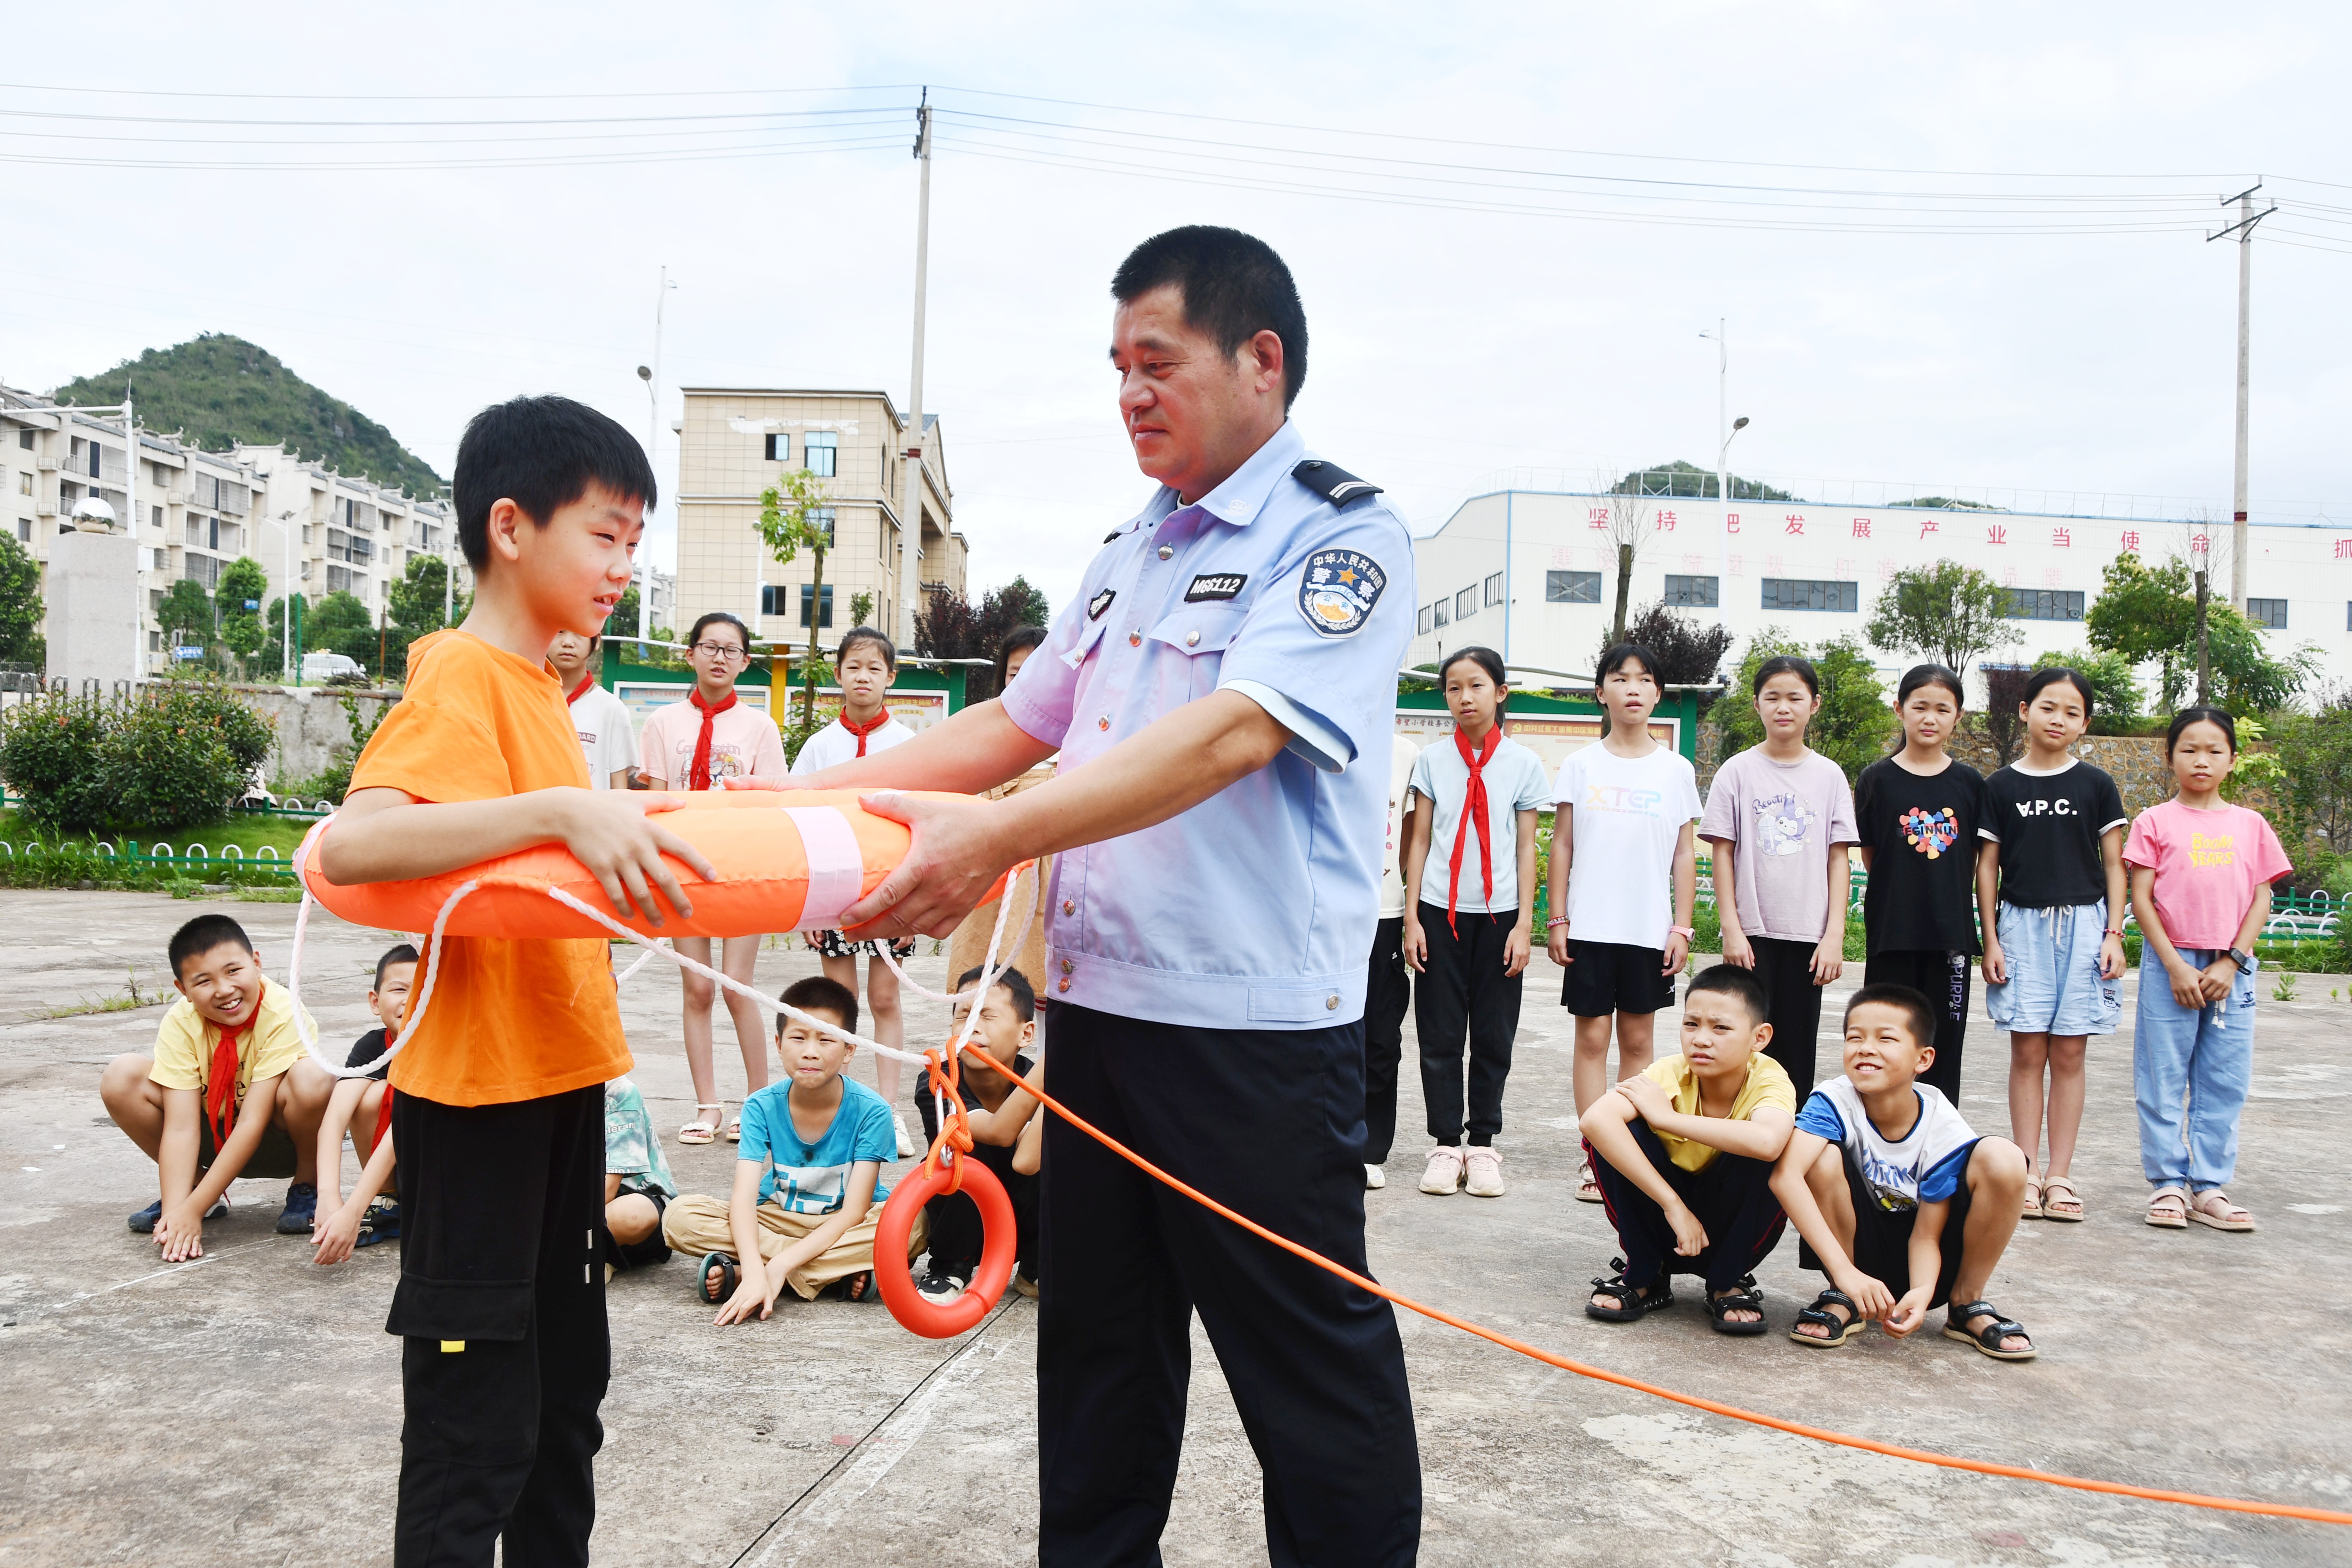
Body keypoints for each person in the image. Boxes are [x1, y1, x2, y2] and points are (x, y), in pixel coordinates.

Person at [757, 226, 1423, 1565]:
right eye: (1115, 366)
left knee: (1307, 1381)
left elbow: (1234, 732)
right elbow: (1016, 719)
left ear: (1261, 360)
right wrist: (794, 816)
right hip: (1100, 1021)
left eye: (1156, 361)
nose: (1128, 392)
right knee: (1101, 1359)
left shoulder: (1339, 537)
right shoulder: (1130, 551)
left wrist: (988, 843)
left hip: (1253, 1038)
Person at [318, 392, 705, 1565]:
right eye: (605, 533)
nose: (622, 567)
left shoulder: (544, 690)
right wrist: (554, 811)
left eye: (635, 543)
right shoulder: (462, 673)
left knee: (560, 1416)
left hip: (555, 1088)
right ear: (509, 526)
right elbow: (359, 842)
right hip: (478, 1103)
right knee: (474, 1431)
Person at [1772, 983, 2035, 1360]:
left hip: (1926, 1254)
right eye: (1855, 1037)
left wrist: (1924, 1290)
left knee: (2003, 1156)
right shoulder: (1835, 1098)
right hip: (1853, 1257)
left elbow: (1927, 1236)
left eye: (1886, 1039)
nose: (1865, 1047)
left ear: (1923, 1059)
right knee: (1818, 1156)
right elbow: (1786, 1176)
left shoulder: (1941, 1122)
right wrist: (1845, 1273)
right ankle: (1842, 1296)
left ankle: (1965, 1304)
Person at [659, 976, 921, 1318]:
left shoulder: (872, 1110)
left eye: (826, 1039)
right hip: (777, 1218)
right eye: (798, 1038)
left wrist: (776, 1264)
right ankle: (833, 1276)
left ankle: (765, 1275)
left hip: (844, 1224)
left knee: (916, 1225)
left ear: (849, 1050)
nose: (810, 1051)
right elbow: (743, 1198)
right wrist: (756, 1269)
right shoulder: (760, 1105)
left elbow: (855, 1211)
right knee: (679, 1216)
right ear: (780, 1043)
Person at [2124, 707, 2288, 1233]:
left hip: (2230, 967)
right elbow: (2142, 898)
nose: (2201, 760)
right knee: (2162, 1076)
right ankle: (2169, 1184)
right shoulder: (2154, 821)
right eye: (2189, 749)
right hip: (2170, 965)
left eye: (2214, 750)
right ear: (2170, 757)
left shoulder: (2251, 825)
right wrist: (2174, 965)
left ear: (2233, 760)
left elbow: (2261, 899)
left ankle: (2210, 1187)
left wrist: (2233, 961)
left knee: (2224, 1080)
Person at [1548, 641, 1701, 1203]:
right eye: (1620, 678)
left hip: (1648, 931)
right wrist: (1557, 918)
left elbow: (1684, 854)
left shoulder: (1675, 769)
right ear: (1601, 692)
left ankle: (1627, 1156)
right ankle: (1595, 1158)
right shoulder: (1581, 765)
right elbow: (1562, 845)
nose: (1632, 688)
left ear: (1658, 694)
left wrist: (1682, 927)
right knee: (1591, 1040)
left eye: (1644, 680)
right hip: (1589, 928)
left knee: (1639, 1043)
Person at [1976, 666, 2126, 1224]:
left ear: (2084, 722)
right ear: (2025, 711)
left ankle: (2060, 1176)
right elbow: (1987, 867)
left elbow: (2115, 863)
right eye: (2048, 707)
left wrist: (2114, 933)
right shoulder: (2000, 786)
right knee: (2027, 1052)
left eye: (2071, 711)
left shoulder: (2095, 784)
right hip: (2021, 927)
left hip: (2086, 926)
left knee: (2069, 1053)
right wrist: (1990, 937)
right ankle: (2026, 1171)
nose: (2058, 719)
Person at [1399, 646, 1547, 1199]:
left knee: (1492, 1031)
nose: (1465, 697)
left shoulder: (1524, 764)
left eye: (1477, 685)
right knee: (1438, 1032)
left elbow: (1528, 846)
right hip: (1439, 911)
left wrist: (1523, 926)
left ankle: (1482, 1144)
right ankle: (1445, 1144)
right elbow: (1419, 840)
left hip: (1499, 915)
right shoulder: (1435, 761)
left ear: (1500, 693)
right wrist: (1412, 917)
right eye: (1455, 687)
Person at [101, 913, 333, 1260]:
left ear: (256, 964)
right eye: (204, 981)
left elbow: (253, 1120)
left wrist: (192, 1209)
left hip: (278, 1139)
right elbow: (180, 1128)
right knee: (122, 1076)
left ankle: (306, 1187)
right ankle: (194, 1187)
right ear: (183, 990)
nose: (224, 990)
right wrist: (181, 1209)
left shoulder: (284, 1011)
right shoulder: (182, 1021)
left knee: (313, 1077)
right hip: (211, 1136)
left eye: (234, 971)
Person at [1579, 964, 1794, 1333]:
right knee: (1615, 1130)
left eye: (1721, 1028)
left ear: (1759, 1038)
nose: (1701, 1039)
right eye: (1691, 1024)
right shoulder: (1671, 1070)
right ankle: (1646, 1274)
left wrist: (1667, 1119)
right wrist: (1673, 1205)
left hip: (1729, 1226)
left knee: (1778, 1149)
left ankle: (1727, 1282)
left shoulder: (1769, 1077)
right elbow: (1594, 1121)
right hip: (1666, 1219)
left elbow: (1769, 1142)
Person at [639, 609, 787, 1145]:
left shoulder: (759, 726)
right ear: (691, 654)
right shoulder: (662, 724)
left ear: (745, 662)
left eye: (731, 650)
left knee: (737, 987)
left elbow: (773, 802)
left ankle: (758, 1104)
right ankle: (708, 1106)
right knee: (698, 987)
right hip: (681, 866)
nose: (719, 657)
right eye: (710, 647)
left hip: (741, 865)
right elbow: (655, 799)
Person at [1699, 654, 1859, 1094]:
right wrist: (1732, 928)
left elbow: (1838, 859)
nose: (1783, 707)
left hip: (1808, 936)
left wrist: (1834, 936)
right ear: (1756, 704)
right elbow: (1723, 853)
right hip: (1752, 935)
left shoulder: (1829, 776)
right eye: (1772, 697)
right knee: (1744, 1048)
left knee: (1796, 1052)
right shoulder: (1737, 771)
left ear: (1815, 704)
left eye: (1795, 697)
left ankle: (1786, 1152)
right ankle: (1741, 1144)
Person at [791, 625, 920, 1157]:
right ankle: (840, 1110)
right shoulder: (821, 747)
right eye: (853, 667)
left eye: (874, 668)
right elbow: (796, 814)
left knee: (885, 997)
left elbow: (920, 821)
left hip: (892, 886)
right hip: (835, 887)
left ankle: (888, 1111)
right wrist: (810, 905)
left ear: (891, 676)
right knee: (838, 1003)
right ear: (838, 674)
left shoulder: (910, 745)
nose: (862, 677)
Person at [1853, 665, 1984, 1104]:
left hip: (1950, 938)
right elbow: (1873, 856)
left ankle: (1938, 1141)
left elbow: (1975, 861)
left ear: (1958, 716)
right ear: (1900, 709)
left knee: (1943, 1043)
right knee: (1886, 1039)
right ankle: (1880, 1131)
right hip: (1893, 934)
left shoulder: (1969, 784)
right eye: (1920, 707)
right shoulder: (1877, 780)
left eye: (1942, 709)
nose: (1930, 718)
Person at [915, 966, 1044, 1305]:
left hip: (1019, 1220)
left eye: (988, 1016)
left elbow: (1028, 1163)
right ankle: (950, 1265)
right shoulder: (938, 1081)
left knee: (1065, 1151)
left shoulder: (1035, 1078)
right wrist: (1057, 1058)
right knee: (965, 1149)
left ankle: (1036, 1265)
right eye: (964, 1017)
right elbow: (999, 1133)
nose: (973, 1028)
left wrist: (1057, 1090)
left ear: (1026, 1034)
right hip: (957, 1219)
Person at [311, 942, 417, 1265]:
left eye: (427, 989)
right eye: (400, 989)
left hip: (442, 1172)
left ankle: (409, 1205)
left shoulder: (443, 1049)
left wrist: (354, 1208)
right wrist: (329, 1197)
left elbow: (404, 1126)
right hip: (398, 1164)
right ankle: (388, 1202)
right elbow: (335, 1118)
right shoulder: (373, 1045)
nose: (411, 1000)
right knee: (371, 1093)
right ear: (375, 1002)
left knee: (400, 1098)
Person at [1361, 730, 1419, 1190]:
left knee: (1381, 1035)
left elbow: (1409, 837)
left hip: (1383, 913)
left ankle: (1367, 1148)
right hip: (1322, 912)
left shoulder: (1405, 753)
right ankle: (1323, 1138)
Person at [601, 1076, 677, 1278]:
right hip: (563, 1211)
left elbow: (609, 1187)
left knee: (635, 1214)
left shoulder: (617, 1091)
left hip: (626, 1200)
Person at [548, 630, 638, 789]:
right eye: (559, 631)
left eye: (579, 632)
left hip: (593, 813)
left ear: (596, 642)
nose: (568, 642)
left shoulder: (611, 708)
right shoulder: (526, 699)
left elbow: (619, 786)